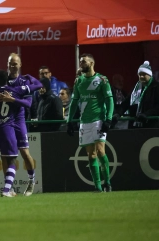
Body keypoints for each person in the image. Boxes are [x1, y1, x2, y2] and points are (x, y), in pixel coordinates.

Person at [0, 69, 32, 198]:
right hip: (7, 128)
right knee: (12, 160)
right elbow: (27, 103)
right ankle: (7, 190)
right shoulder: (14, 92)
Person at [0, 53, 42, 196]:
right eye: (10, 63)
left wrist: (12, 100)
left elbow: (28, 104)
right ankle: (9, 187)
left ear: (20, 65)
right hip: (5, 121)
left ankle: (31, 181)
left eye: (15, 63)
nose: (12, 66)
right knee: (4, 155)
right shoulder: (1, 79)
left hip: (19, 121)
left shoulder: (24, 81)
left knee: (24, 153)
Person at [66, 53, 114, 192]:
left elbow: (109, 99)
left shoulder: (102, 80)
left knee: (100, 151)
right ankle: (98, 187)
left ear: (92, 63)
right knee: (90, 154)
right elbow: (74, 101)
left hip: (98, 119)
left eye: (84, 61)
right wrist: (69, 121)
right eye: (80, 62)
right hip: (84, 122)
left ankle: (108, 183)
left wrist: (108, 118)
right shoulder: (78, 81)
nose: (81, 64)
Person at [112, 61, 159, 129]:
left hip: (151, 126)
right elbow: (126, 103)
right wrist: (118, 114)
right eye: (139, 75)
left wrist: (147, 114)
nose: (141, 76)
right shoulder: (136, 88)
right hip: (135, 126)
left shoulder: (156, 87)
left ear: (150, 75)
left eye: (144, 74)